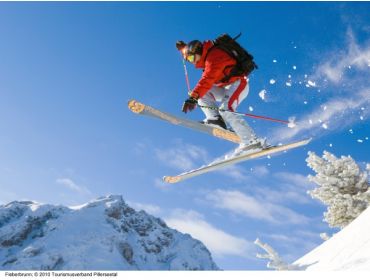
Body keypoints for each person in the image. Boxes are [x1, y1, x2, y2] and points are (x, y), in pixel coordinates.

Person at [176, 39, 266, 154]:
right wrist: (184, 49)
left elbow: (207, 79)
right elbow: (205, 81)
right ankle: (215, 120)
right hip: (227, 87)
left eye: (192, 58)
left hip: (239, 84)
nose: (192, 62)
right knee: (202, 95)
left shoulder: (214, 56)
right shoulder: (206, 57)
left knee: (226, 109)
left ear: (197, 51)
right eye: (189, 60)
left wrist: (193, 97)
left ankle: (252, 141)